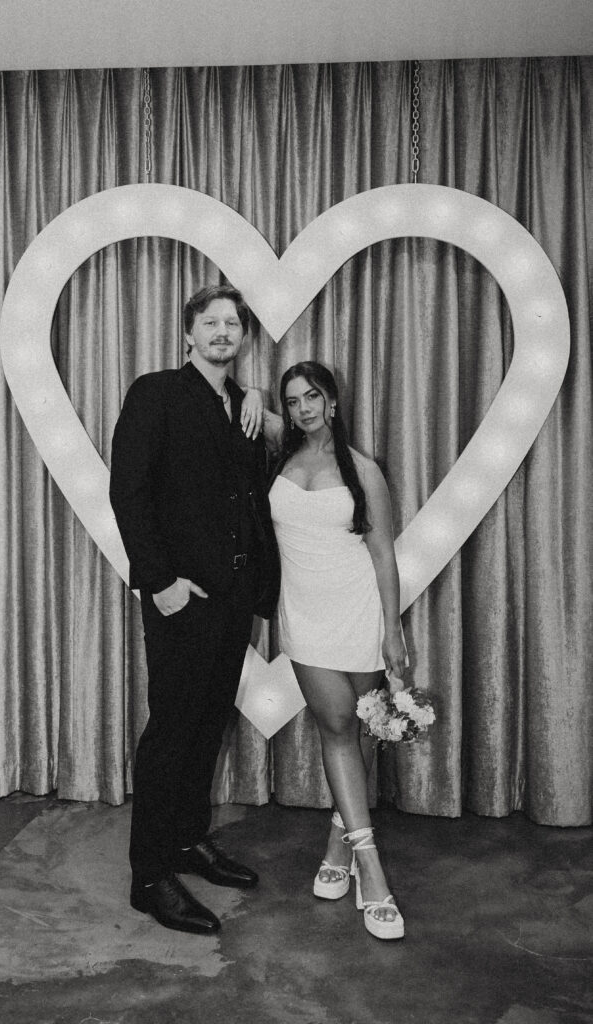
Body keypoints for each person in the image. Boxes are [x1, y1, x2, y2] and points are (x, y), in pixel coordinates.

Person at [109, 284, 279, 935]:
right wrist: (160, 582)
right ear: (188, 333)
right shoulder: (155, 392)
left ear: (243, 337)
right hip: (180, 598)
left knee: (208, 725)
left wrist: (255, 398)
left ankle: (186, 842)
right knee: (173, 729)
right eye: (210, 322)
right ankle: (149, 877)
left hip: (233, 599)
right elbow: (128, 490)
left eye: (232, 323)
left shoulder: (242, 405)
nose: (221, 331)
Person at [264, 361, 408, 940]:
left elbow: (384, 554)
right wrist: (251, 398)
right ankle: (372, 870)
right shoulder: (280, 455)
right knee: (337, 722)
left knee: (361, 731)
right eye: (292, 400)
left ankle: (338, 842)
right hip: (304, 618)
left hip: (359, 613)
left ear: (332, 400)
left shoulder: (363, 469)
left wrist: (393, 631)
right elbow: (245, 405)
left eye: (312, 396)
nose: (302, 408)